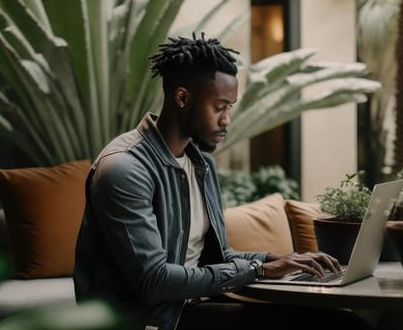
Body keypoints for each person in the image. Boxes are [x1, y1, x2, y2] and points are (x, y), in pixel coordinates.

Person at [73, 33, 372, 330]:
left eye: (230, 107)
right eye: (219, 107)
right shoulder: (124, 169)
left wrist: (282, 260)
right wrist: (258, 269)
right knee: (339, 326)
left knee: (341, 319)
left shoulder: (200, 165)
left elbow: (214, 255)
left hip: (193, 307)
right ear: (182, 97)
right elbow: (154, 281)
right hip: (150, 320)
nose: (227, 120)